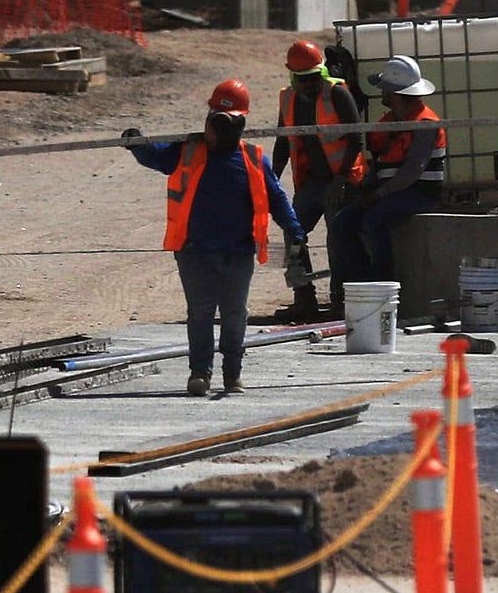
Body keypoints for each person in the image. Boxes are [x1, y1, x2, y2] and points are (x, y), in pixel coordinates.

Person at [126, 80, 305, 398]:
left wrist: (293, 229)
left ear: (240, 125)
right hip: (195, 251)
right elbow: (154, 155)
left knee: (235, 314)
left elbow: (276, 198)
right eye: (213, 121)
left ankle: (233, 374)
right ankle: (200, 373)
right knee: (200, 314)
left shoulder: (254, 159)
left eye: (224, 124)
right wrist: (136, 143)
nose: (215, 130)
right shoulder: (186, 152)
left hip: (238, 252)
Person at [271, 39, 365, 321]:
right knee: (293, 235)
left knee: (338, 241)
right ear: (292, 76)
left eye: (314, 77)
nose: (310, 84)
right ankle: (304, 298)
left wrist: (340, 180)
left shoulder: (337, 93)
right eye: (303, 79)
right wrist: (272, 181)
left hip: (341, 182)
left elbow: (356, 139)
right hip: (310, 183)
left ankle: (340, 301)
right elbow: (282, 143)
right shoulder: (288, 99)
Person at [332, 55, 446, 285]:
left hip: (420, 193)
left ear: (395, 93)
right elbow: (380, 163)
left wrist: (377, 195)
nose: (381, 93)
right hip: (391, 192)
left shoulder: (425, 123)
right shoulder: (388, 122)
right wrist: (368, 190)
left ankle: (383, 281)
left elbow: (413, 170)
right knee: (342, 222)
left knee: (374, 219)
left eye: (384, 88)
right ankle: (361, 281)